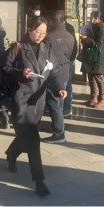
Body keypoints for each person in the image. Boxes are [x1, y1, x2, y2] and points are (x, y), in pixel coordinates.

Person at [3, 15, 67, 197]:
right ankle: (39, 181)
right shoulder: (18, 47)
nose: (40, 36)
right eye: (37, 32)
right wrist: (20, 73)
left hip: (38, 100)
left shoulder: (47, 49)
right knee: (33, 139)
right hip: (22, 99)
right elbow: (5, 68)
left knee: (26, 135)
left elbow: (54, 71)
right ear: (29, 29)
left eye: (43, 33)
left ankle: (11, 154)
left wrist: (60, 87)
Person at [44, 10, 75, 143]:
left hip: (53, 72)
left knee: (54, 102)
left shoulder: (49, 36)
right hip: (65, 69)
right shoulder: (70, 36)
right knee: (59, 101)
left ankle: (59, 132)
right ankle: (58, 127)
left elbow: (44, 55)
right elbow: (73, 55)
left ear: (52, 21)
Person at [80, 11, 104, 108]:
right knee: (91, 78)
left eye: (94, 18)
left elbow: (98, 43)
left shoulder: (102, 28)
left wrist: (86, 39)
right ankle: (93, 98)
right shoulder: (91, 26)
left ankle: (102, 99)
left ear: (99, 18)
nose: (92, 19)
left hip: (97, 56)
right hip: (89, 56)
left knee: (99, 78)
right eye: (91, 17)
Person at [63, 15, 78, 117]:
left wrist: (72, 57)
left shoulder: (68, 28)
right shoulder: (69, 27)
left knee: (67, 83)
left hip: (67, 59)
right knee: (67, 82)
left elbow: (74, 44)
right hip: (67, 59)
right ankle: (66, 105)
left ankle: (67, 105)